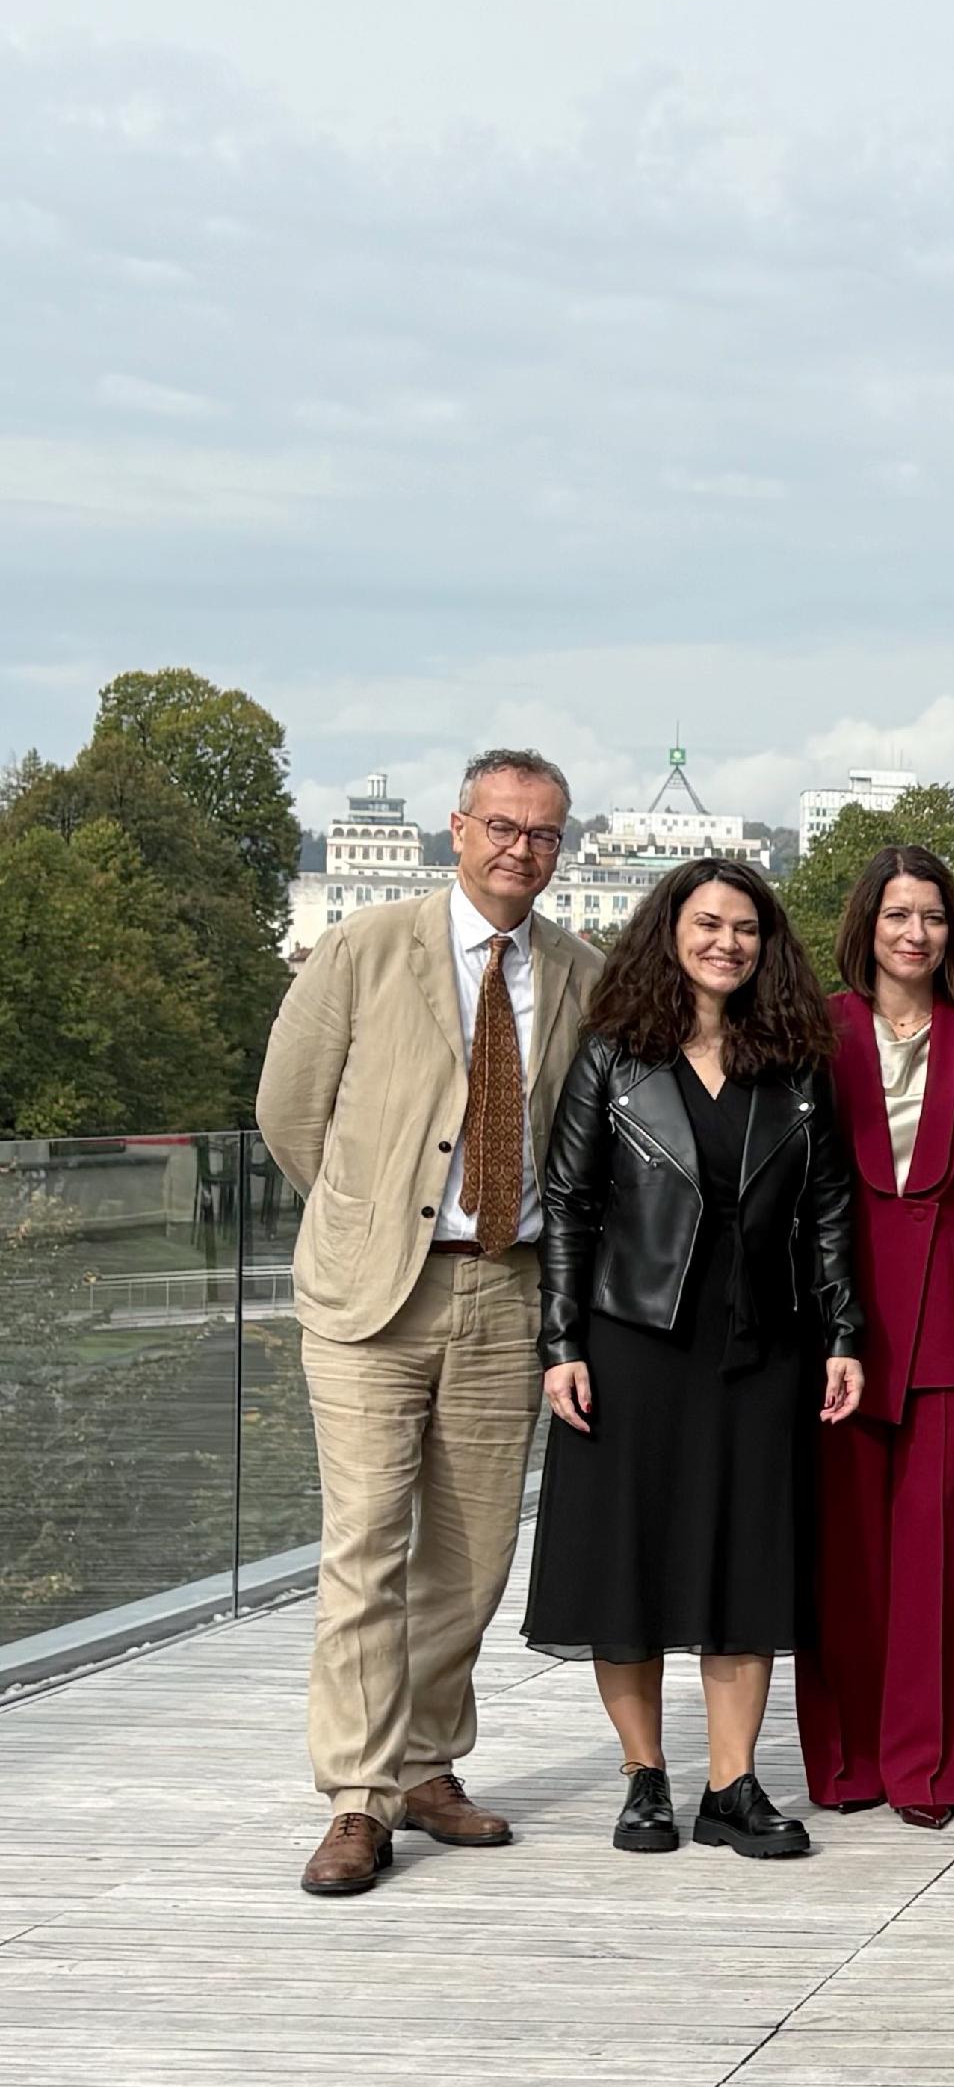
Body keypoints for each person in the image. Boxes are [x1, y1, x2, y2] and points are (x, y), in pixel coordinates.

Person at [257, 748, 605, 1896]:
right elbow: (290, 1110)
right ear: (457, 829)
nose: (521, 848)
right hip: (374, 1296)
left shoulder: (577, 971)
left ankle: (424, 1762)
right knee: (365, 1544)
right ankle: (355, 1797)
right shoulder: (369, 947)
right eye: (502, 825)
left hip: (506, 1290)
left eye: (544, 833)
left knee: (471, 1555)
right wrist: (371, 1220)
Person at [528, 858, 867, 1860]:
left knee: (745, 1563)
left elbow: (830, 1208)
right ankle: (644, 1777)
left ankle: (732, 1784)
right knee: (625, 1564)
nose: (729, 941)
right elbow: (568, 1207)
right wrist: (561, 1344)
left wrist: (845, 1332)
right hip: (631, 1340)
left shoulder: (796, 1060)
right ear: (668, 930)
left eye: (747, 928)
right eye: (709, 923)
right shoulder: (612, 1056)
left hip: (763, 1341)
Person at [799, 845, 954, 1830]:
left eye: (934, 915)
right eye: (898, 913)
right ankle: (849, 1760)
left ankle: (931, 1766)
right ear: (868, 923)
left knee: (943, 1550)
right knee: (844, 1550)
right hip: (838, 1312)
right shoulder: (816, 1027)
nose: (916, 932)